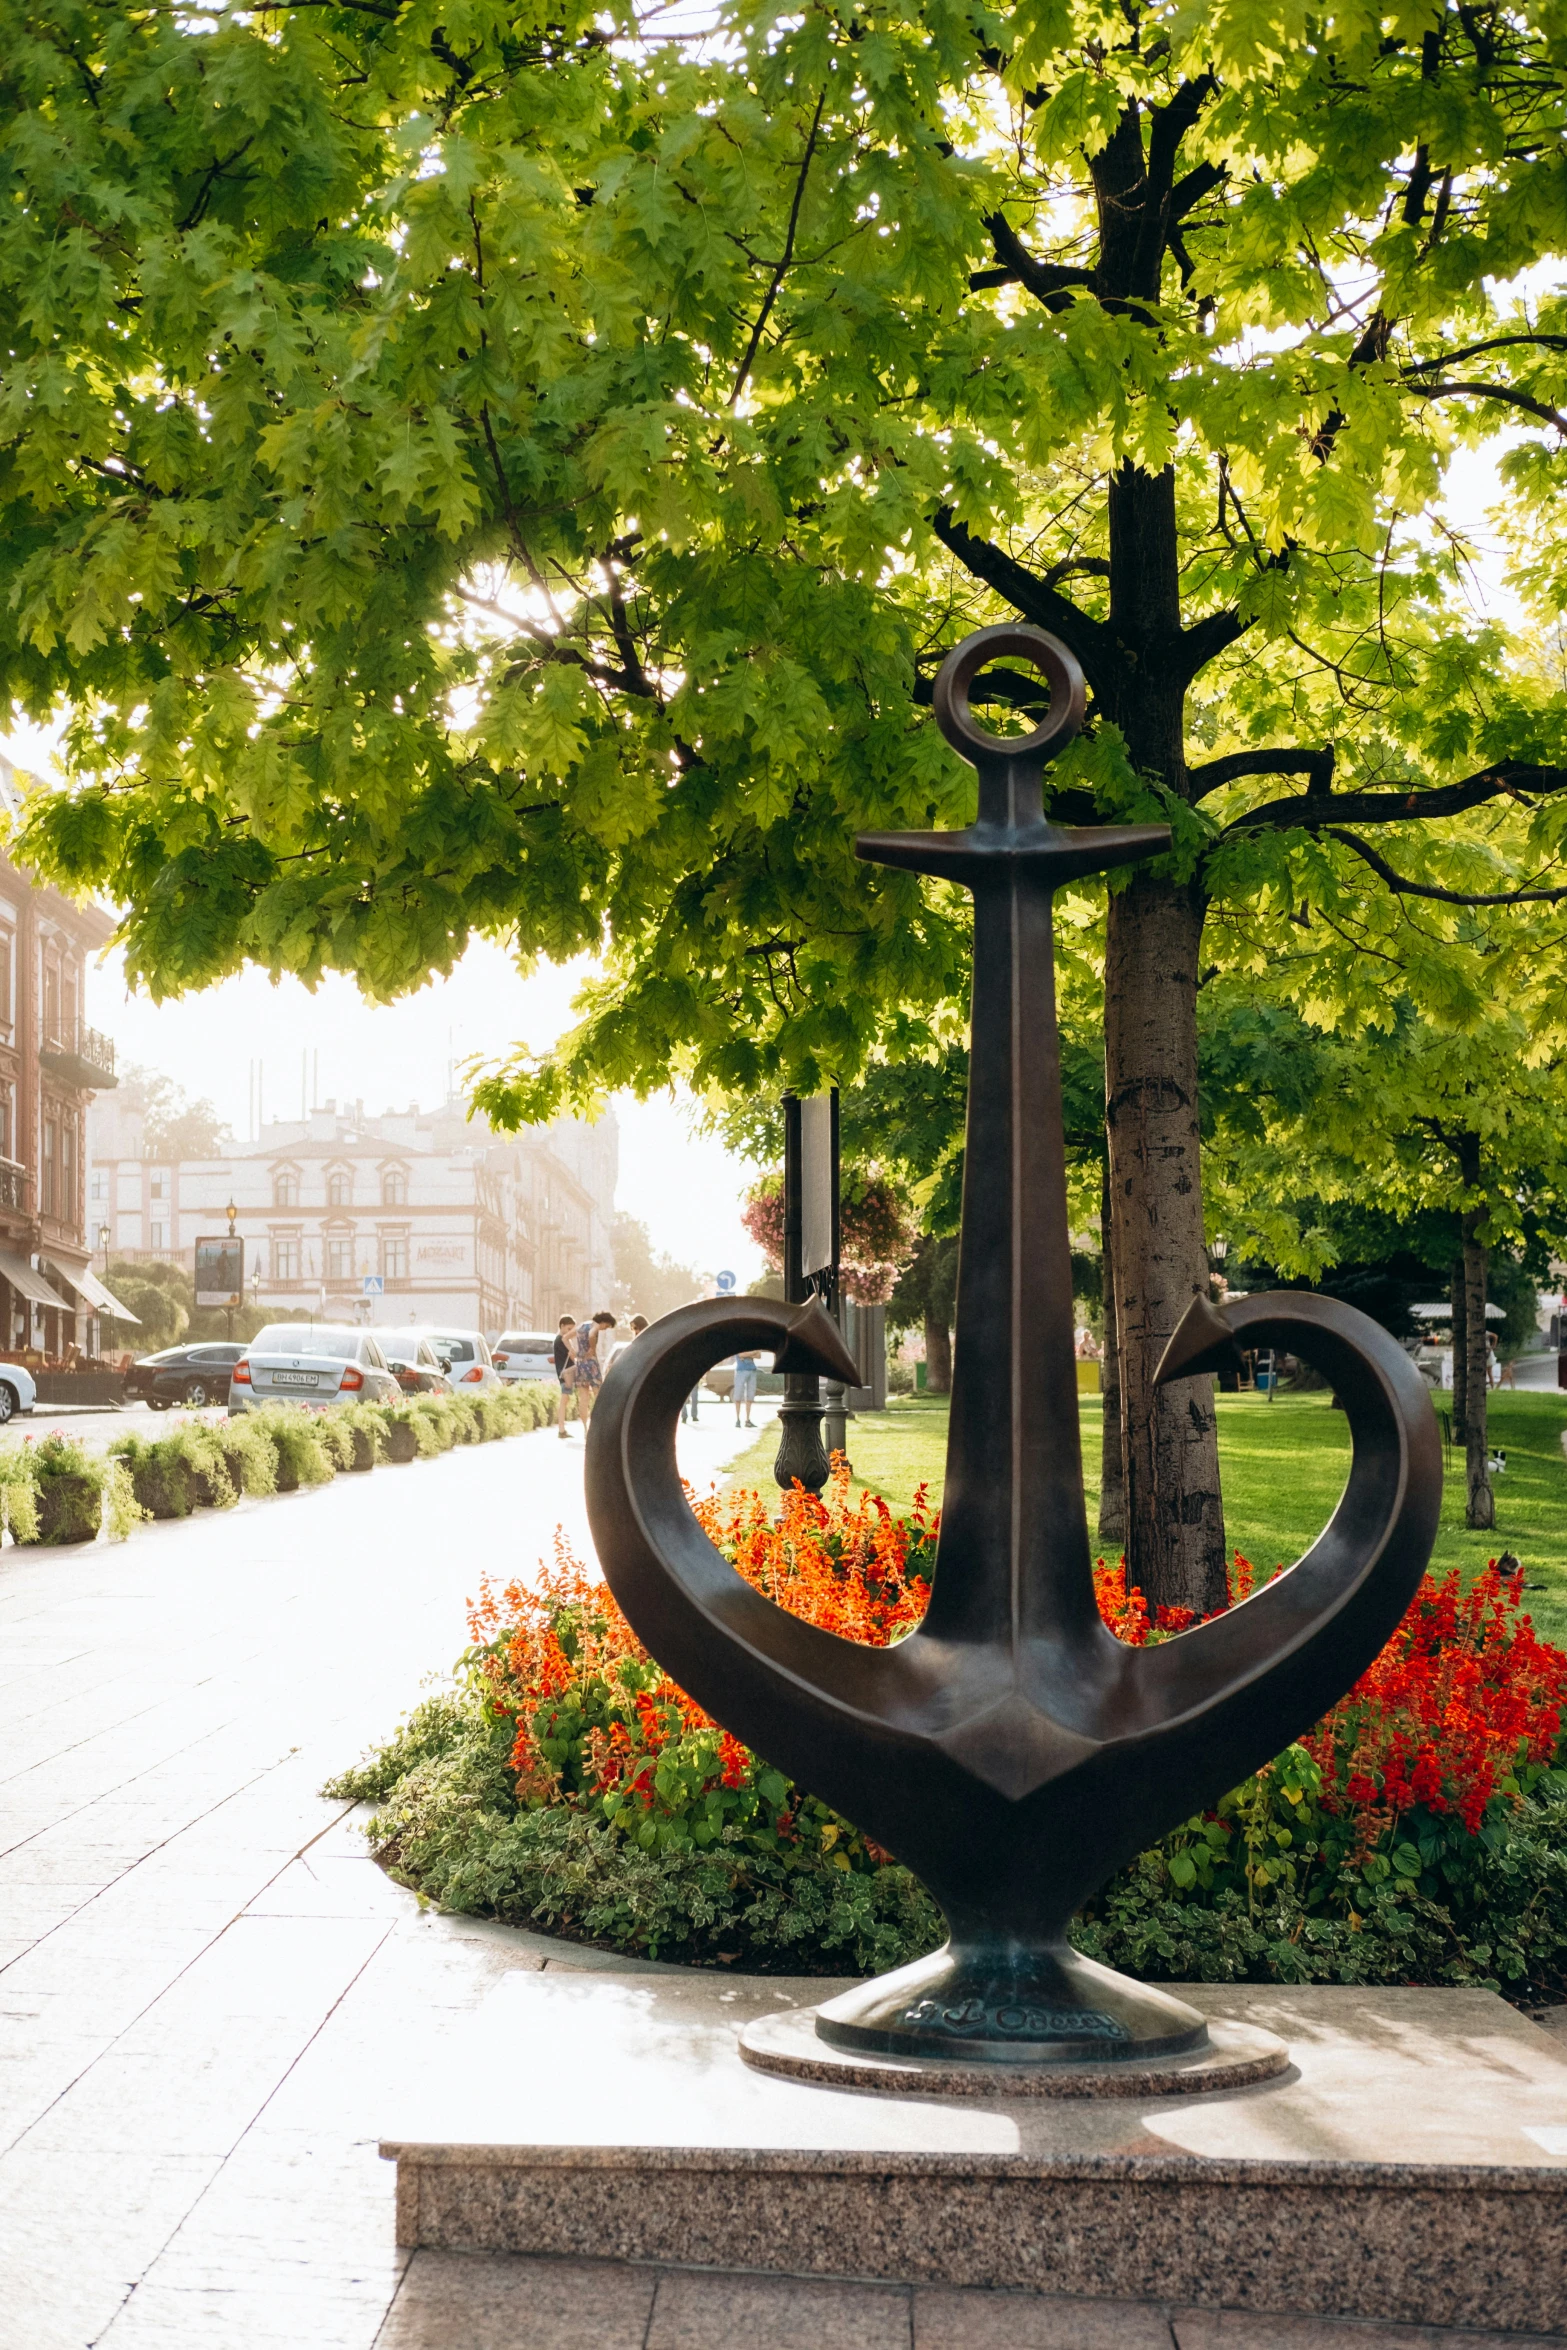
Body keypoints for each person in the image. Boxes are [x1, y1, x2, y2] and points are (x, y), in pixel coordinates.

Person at [569, 1310, 618, 1428]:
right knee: (598, 1395)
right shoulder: (594, 1326)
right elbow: (591, 1334)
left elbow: (565, 1337)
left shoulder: (581, 1326)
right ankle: (596, 1426)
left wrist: (573, 1352)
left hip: (581, 1364)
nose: (604, 1329)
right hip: (591, 1364)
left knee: (583, 1398)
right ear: (603, 1322)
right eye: (606, 1326)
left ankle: (584, 1428)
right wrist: (592, 1349)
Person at [553, 1315, 578, 1438]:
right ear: (562, 1326)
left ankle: (562, 1427)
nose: (570, 1332)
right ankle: (561, 1429)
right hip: (565, 1374)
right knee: (564, 1399)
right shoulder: (560, 1340)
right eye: (569, 1329)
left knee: (565, 1399)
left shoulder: (561, 1339)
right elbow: (573, 1356)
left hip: (565, 1373)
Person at [732, 1347, 760, 1428]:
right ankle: (737, 1419)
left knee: (750, 1396)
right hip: (741, 1371)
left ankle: (747, 1420)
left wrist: (747, 1355)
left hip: (752, 1370)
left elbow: (759, 1355)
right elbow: (740, 1354)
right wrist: (753, 1352)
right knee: (738, 1396)